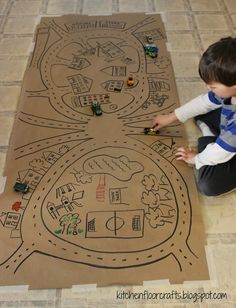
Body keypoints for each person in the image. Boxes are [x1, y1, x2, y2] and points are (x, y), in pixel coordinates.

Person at [152, 37, 236, 196]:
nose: (208, 88)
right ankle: (216, 138)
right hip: (230, 134)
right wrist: (170, 117)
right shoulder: (230, 93)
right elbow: (204, 103)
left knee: (208, 185)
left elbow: (220, 153)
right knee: (202, 112)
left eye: (213, 86)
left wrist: (196, 158)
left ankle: (212, 138)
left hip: (228, 147)